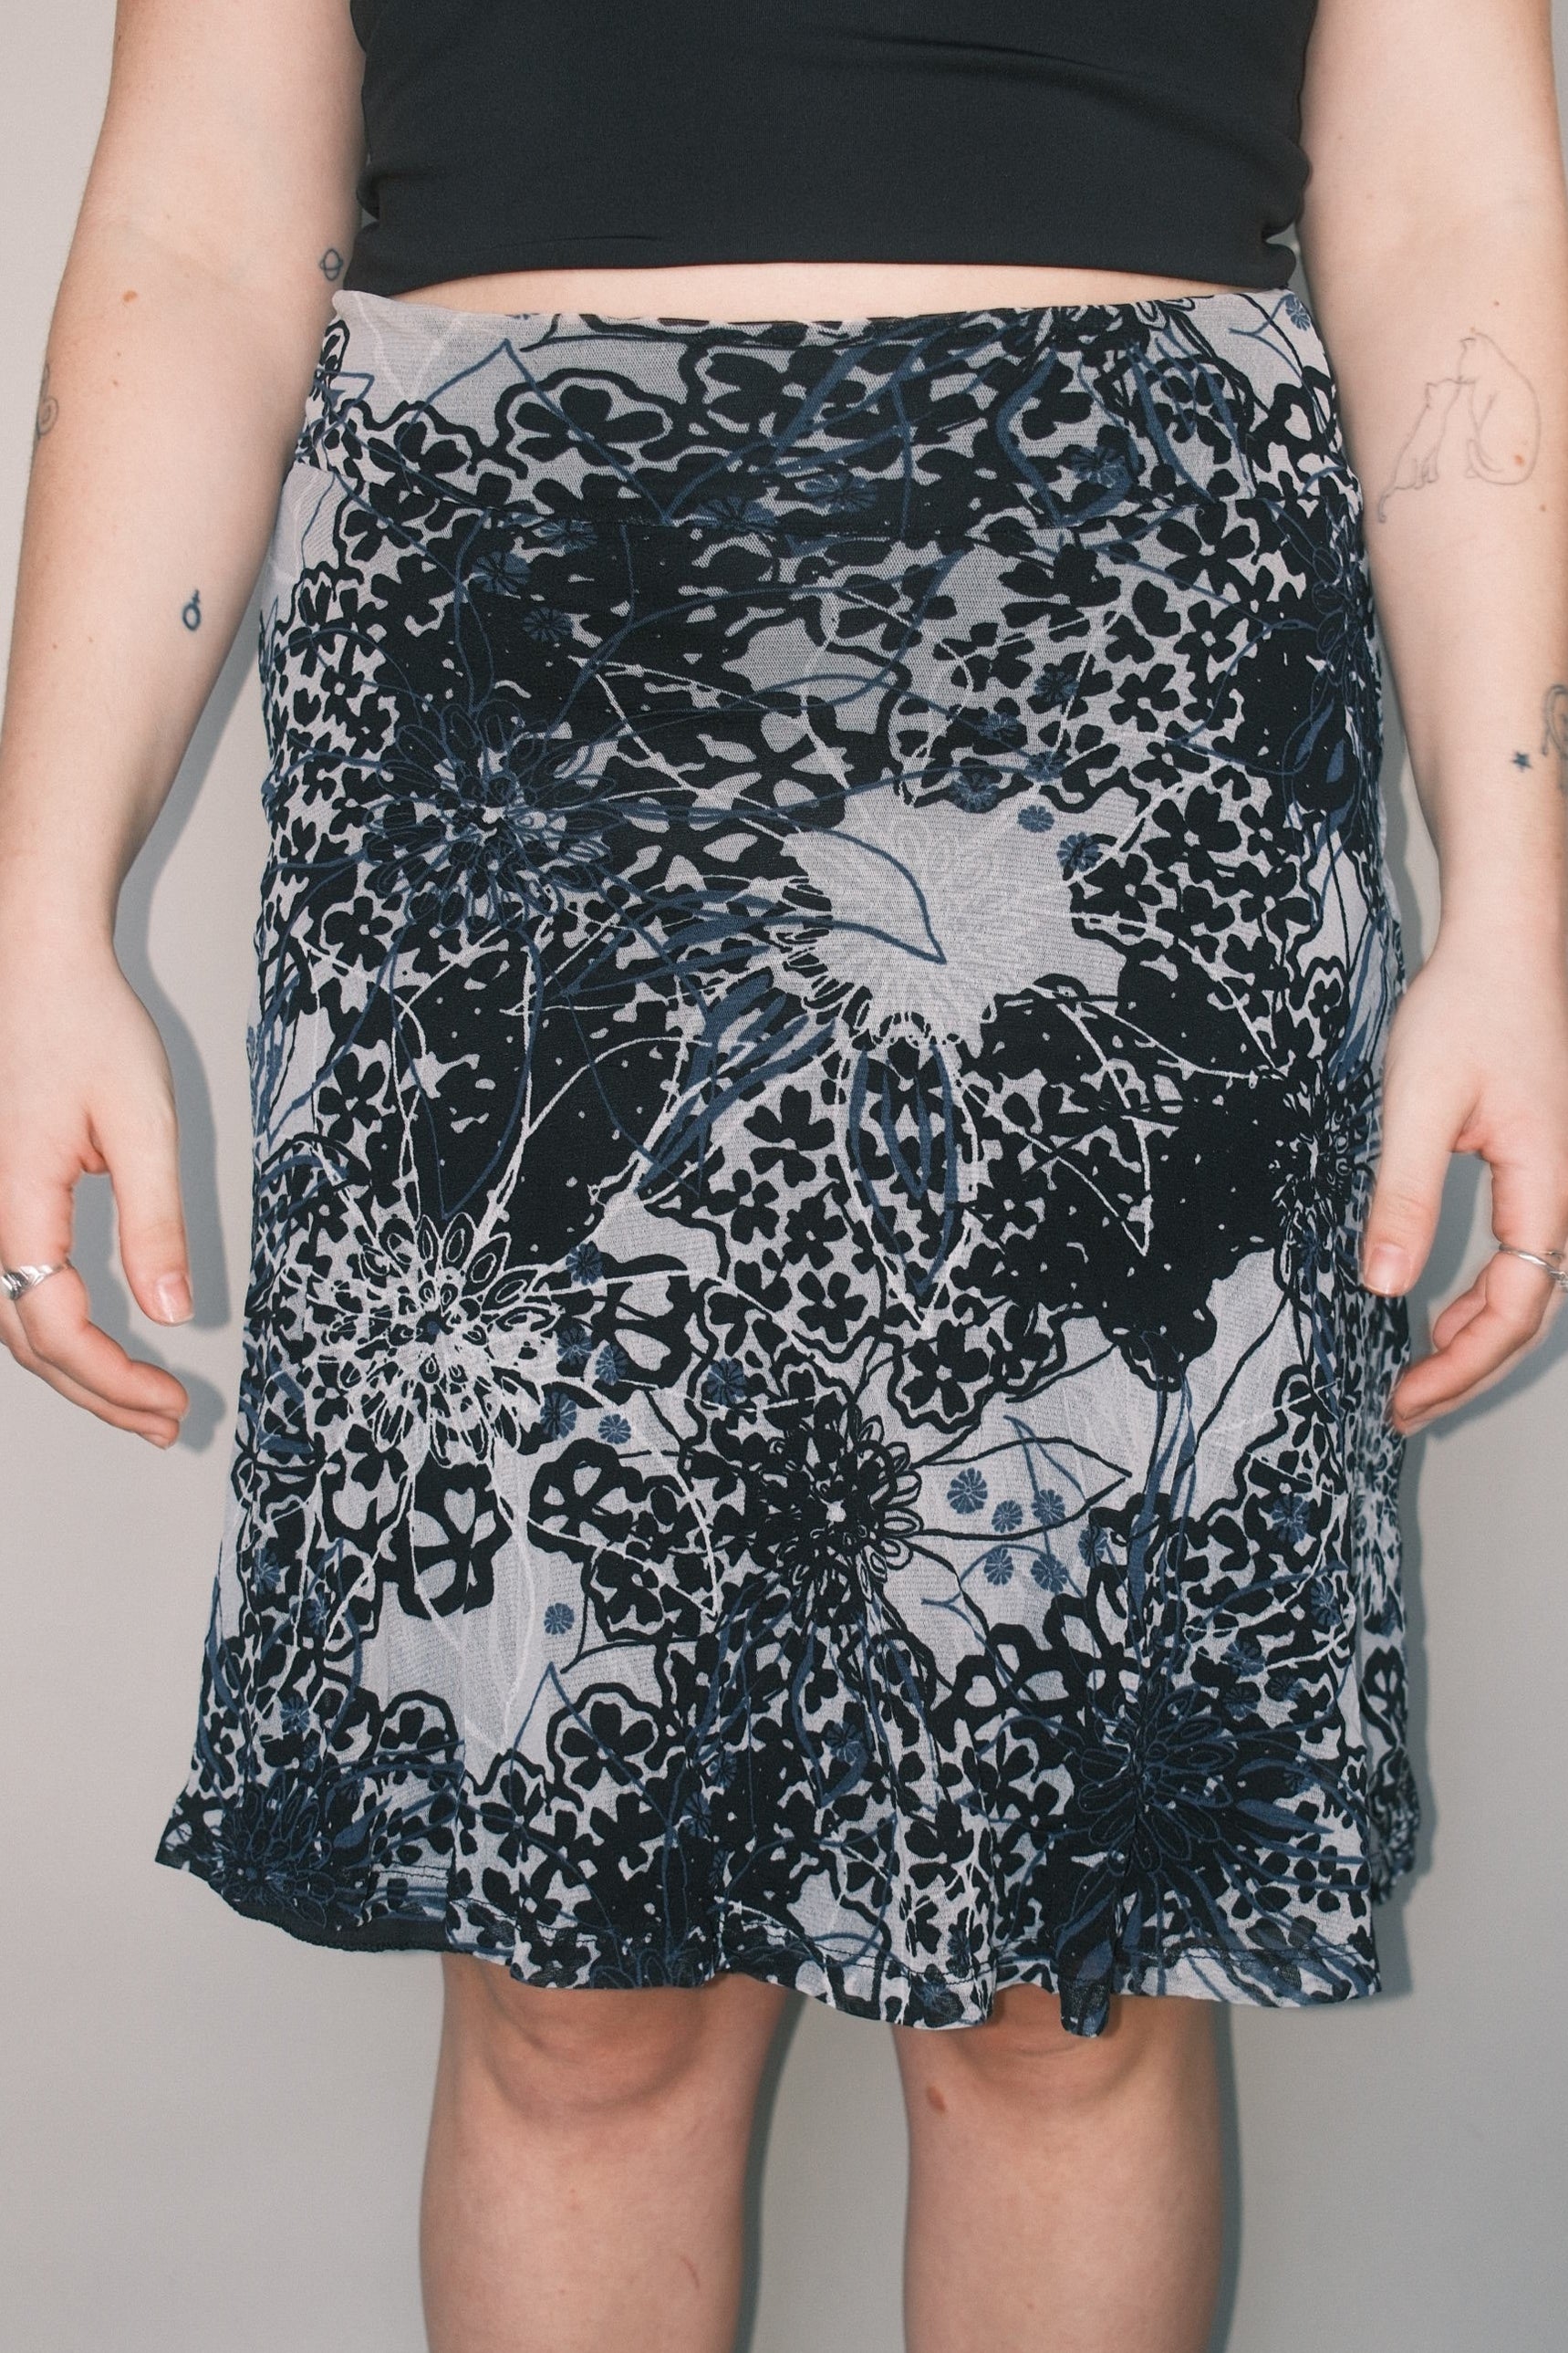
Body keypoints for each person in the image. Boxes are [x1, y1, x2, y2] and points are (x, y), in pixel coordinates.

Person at [2, 3, 1566, 2348]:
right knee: (570, 1980)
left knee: (1067, 1981)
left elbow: (1450, 209)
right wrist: (39, 910)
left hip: (1128, 718)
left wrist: (1516, 904)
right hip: (521, 731)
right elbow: (203, 222)